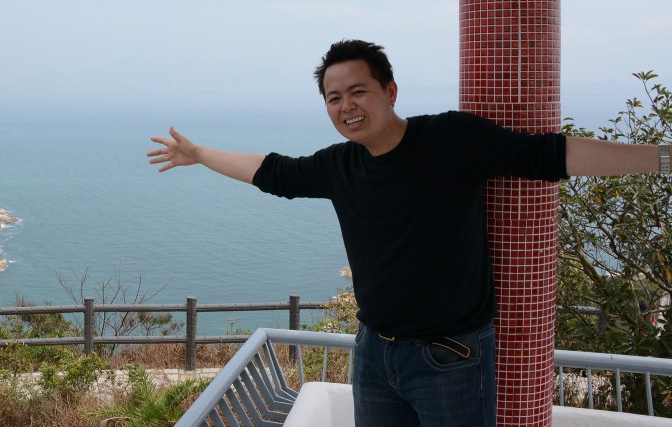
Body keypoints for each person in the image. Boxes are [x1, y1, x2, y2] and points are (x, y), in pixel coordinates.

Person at [147, 38, 670, 427]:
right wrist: (198, 154)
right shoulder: (339, 166)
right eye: (333, 98)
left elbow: (555, 154)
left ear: (390, 90)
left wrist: (665, 158)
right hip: (374, 353)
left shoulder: (450, 138)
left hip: (452, 358)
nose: (346, 106)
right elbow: (270, 170)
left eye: (358, 91)